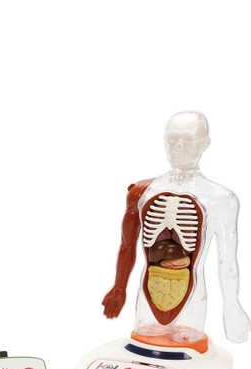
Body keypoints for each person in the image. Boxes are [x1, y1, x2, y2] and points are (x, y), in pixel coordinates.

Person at [102, 111, 250, 351]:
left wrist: (232, 306)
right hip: (147, 299)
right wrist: (119, 288)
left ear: (205, 144)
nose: (178, 147)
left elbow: (227, 260)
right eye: (172, 139)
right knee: (145, 340)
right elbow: (127, 244)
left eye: (188, 139)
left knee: (186, 342)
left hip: (193, 302)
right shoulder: (141, 192)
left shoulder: (221, 199)